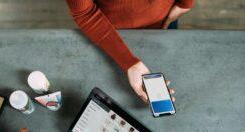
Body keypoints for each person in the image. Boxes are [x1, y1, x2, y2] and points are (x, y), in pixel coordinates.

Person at [66, 0, 194, 102]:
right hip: (109, 33)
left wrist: (185, 4)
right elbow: (84, 12)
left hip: (166, 19)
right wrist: (129, 63)